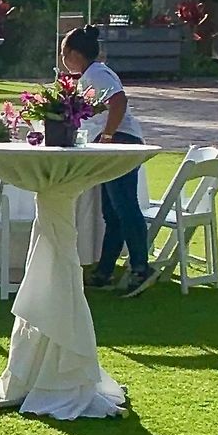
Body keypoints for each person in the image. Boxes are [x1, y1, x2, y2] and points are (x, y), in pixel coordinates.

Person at [63, 24, 152, 297]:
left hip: (121, 143)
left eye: (63, 52)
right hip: (114, 144)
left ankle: (140, 268)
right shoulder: (88, 77)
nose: (62, 59)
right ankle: (105, 270)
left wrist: (109, 136)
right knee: (112, 213)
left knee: (124, 207)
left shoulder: (97, 74)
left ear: (74, 54)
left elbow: (119, 100)